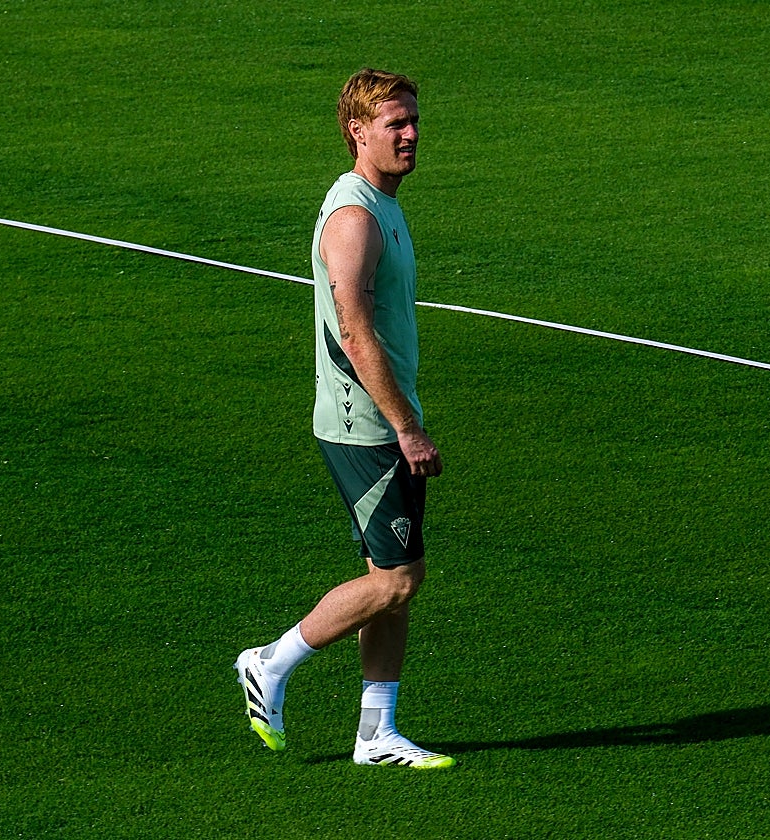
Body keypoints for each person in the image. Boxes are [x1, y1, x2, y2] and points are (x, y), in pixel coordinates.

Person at [235, 68, 454, 770]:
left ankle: (375, 733)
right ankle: (271, 661)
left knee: (390, 578)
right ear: (357, 131)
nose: (412, 133)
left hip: (384, 419)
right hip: (367, 428)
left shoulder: (384, 203)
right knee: (398, 579)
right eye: (396, 123)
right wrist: (407, 428)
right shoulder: (354, 216)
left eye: (414, 120)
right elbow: (355, 332)